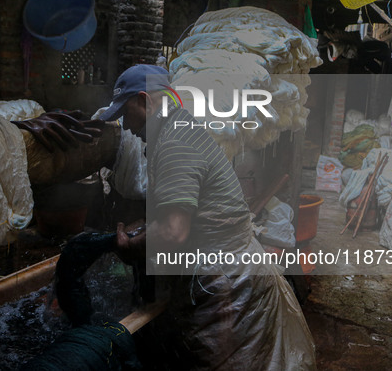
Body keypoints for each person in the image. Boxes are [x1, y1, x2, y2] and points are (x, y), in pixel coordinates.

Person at [99, 65, 316, 370]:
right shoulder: (179, 128)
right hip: (233, 269)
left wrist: (133, 248)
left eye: (126, 112)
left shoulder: (174, 143)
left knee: (221, 361)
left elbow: (174, 232)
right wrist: (150, 227)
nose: (125, 124)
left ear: (145, 101)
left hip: (226, 280)